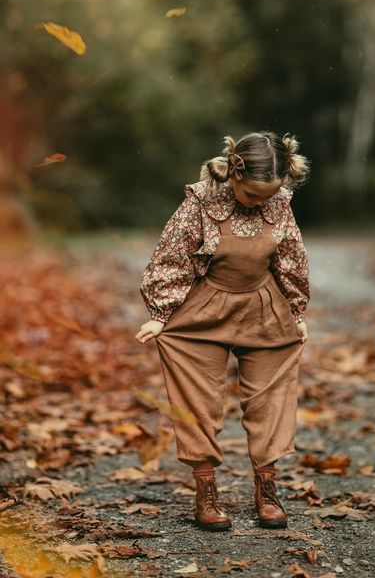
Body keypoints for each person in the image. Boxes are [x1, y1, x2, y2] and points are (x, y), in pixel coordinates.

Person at [135, 131, 310, 532]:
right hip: (205, 310)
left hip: (263, 307)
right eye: (252, 195)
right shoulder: (201, 202)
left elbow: (291, 256)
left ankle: (266, 486)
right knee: (198, 397)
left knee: (271, 395)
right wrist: (160, 314)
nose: (260, 202)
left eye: (269, 195)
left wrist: (297, 311)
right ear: (233, 174)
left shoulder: (279, 203)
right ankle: (205, 490)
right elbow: (173, 254)